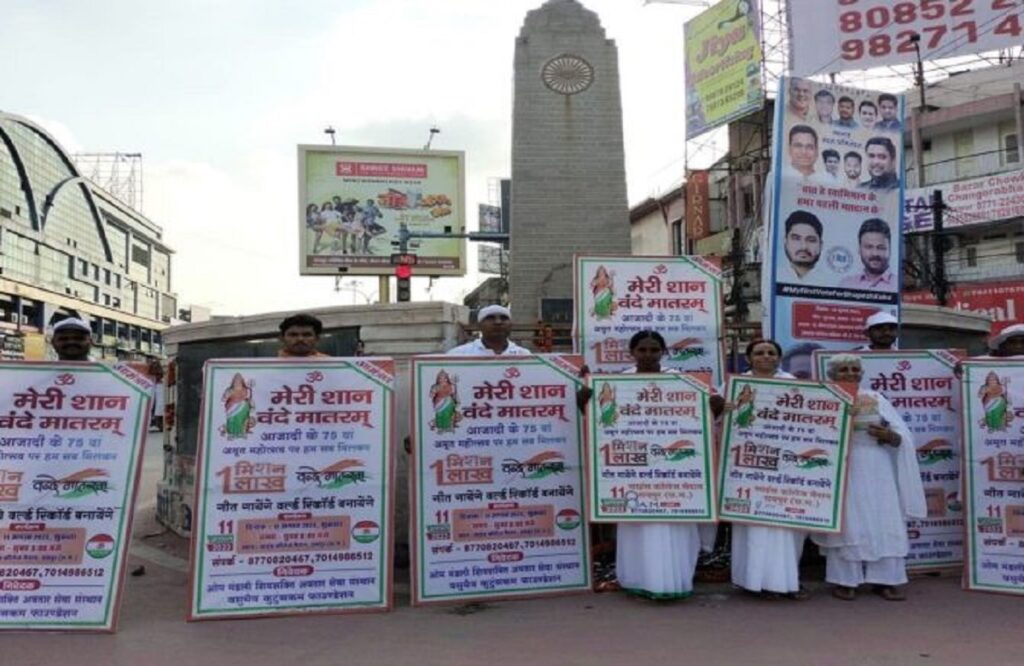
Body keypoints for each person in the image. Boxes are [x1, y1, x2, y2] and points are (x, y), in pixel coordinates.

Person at [814, 355, 925, 601]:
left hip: (877, 464)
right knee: (847, 522)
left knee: (884, 519)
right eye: (844, 369)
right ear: (832, 375)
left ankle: (886, 580)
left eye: (855, 369)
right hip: (839, 466)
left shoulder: (876, 398)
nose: (850, 373)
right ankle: (846, 580)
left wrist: (888, 435)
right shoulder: (822, 397)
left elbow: (902, 436)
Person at [613, 330, 705, 600]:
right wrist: (587, 402)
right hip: (635, 468)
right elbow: (604, 422)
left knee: (673, 523)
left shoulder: (681, 382)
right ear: (632, 353)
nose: (648, 355)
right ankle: (637, 580)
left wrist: (713, 406)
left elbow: (697, 420)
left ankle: (675, 581)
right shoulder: (616, 383)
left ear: (664, 353)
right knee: (638, 524)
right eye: (642, 350)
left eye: (654, 350)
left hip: (672, 473)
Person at [718, 339, 808, 600]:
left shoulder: (796, 385)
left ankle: (787, 581)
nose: (765, 357)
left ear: (779, 358)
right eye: (759, 353)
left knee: (787, 525)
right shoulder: (733, 387)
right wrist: (722, 410)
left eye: (771, 353)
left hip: (786, 467)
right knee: (754, 525)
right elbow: (716, 422)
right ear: (749, 358)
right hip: (749, 466)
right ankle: (754, 581)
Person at [448, 304, 531, 356]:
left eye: (503, 318)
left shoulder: (524, 355)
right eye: (490, 318)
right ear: (479, 325)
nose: (498, 322)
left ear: (511, 325)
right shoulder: (459, 355)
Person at [839, 218, 895, 291]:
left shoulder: (899, 285)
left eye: (881, 247)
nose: (875, 253)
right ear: (859, 249)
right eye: (869, 247)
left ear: (890, 248)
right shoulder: (845, 285)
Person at [780, 210, 823, 282]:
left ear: (820, 245)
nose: (803, 247)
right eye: (796, 239)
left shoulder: (832, 280)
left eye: (811, 240)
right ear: (785, 241)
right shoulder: (775, 275)